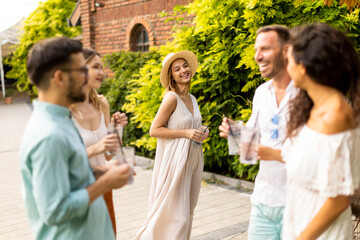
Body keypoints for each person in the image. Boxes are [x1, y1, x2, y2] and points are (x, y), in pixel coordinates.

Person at [19, 37, 130, 240]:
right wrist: (105, 183)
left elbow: (69, 171)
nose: (87, 77)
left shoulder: (62, 120)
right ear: (60, 78)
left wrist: (103, 172)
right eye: (82, 70)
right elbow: (55, 211)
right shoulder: (49, 135)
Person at [260, 23, 360, 240]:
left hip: (321, 235)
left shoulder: (336, 116)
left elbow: (339, 199)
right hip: (301, 224)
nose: (287, 65)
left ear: (304, 66)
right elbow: (312, 163)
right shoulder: (314, 108)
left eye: (290, 59)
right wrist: (267, 153)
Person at [219, 25, 297, 239]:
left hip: (298, 204)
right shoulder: (262, 93)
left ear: (286, 51)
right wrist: (234, 131)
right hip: (263, 200)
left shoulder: (309, 94)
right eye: (256, 50)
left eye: (265, 49)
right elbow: (252, 140)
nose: (257, 56)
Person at [135, 51, 208, 240]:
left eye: (185, 66)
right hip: (175, 161)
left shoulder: (192, 98)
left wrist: (200, 132)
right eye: (177, 69)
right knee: (177, 216)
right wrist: (185, 133)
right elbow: (155, 130)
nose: (184, 70)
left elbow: (189, 126)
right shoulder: (171, 98)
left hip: (193, 159)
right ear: (171, 76)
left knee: (188, 212)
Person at [70, 48, 128, 236]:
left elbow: (109, 154)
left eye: (102, 67)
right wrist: (96, 148)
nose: (102, 72)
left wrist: (117, 129)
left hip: (103, 187)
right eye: (96, 67)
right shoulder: (64, 110)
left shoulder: (102, 104)